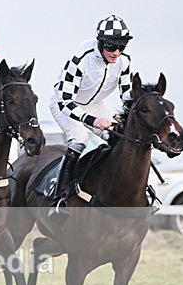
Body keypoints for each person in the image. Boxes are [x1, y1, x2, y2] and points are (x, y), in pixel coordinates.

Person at [48, 15, 133, 218]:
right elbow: (65, 101)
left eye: (121, 47)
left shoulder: (124, 61)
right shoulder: (81, 58)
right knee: (80, 140)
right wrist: (93, 121)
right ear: (101, 42)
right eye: (111, 47)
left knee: (120, 139)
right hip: (66, 104)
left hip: (96, 105)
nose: (116, 53)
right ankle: (59, 198)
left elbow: (128, 98)